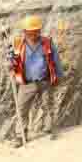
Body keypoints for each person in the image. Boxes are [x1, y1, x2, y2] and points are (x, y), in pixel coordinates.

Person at [7, 15, 65, 146]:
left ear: (39, 30)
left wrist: (59, 76)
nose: (34, 34)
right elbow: (12, 60)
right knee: (22, 110)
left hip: (45, 81)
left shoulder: (47, 43)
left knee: (48, 106)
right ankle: (20, 135)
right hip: (27, 83)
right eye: (31, 32)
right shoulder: (18, 44)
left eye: (36, 31)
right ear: (25, 32)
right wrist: (10, 64)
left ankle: (50, 129)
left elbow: (56, 60)